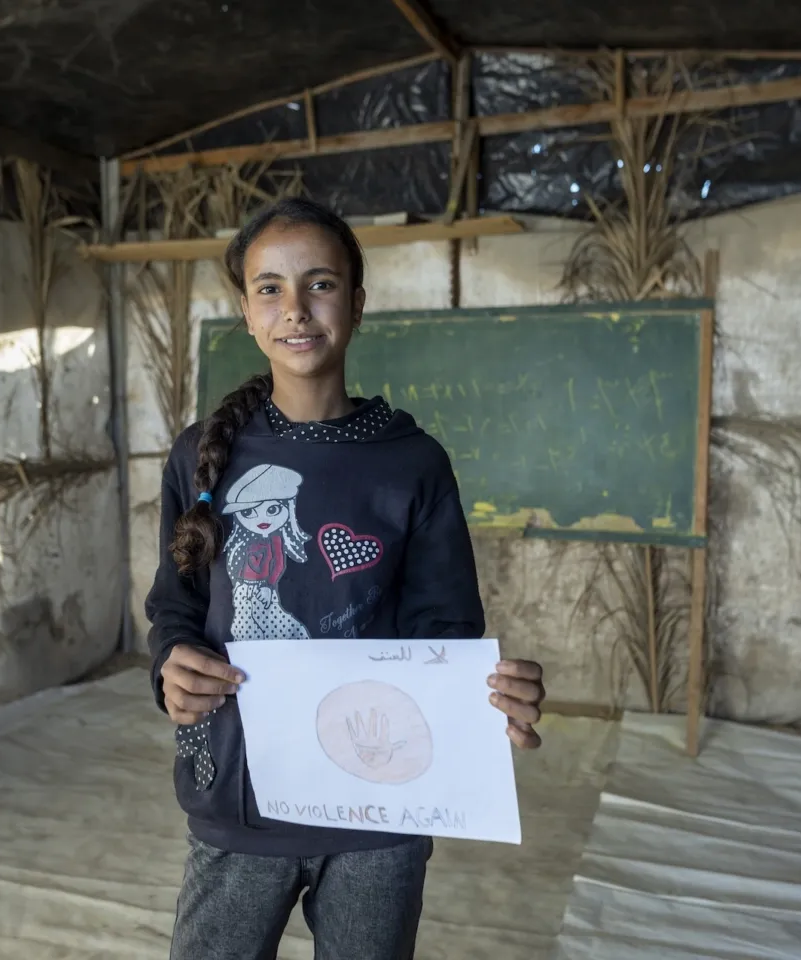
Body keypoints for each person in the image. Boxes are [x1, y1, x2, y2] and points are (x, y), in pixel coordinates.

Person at [145, 196, 547, 960]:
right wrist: (171, 665)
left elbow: (445, 632)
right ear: (246, 311)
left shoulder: (412, 462)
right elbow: (175, 606)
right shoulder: (200, 454)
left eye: (320, 283)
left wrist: (486, 703)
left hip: (379, 807)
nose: (295, 308)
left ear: (357, 304)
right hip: (239, 792)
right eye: (270, 288)